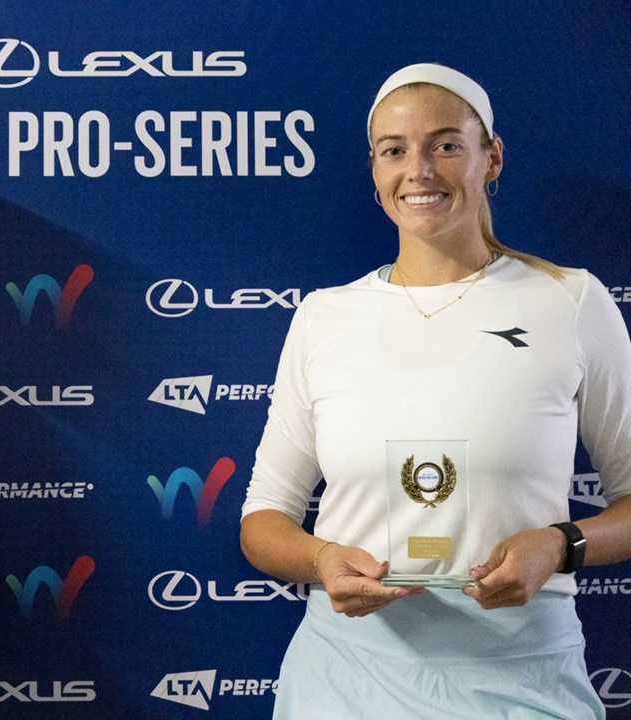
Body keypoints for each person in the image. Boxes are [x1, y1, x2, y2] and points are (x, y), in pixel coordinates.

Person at [240, 63, 631, 718]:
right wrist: (322, 557)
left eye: (446, 144)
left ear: (492, 157)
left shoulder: (570, 300)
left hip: (522, 675)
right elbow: (263, 521)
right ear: (375, 169)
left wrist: (561, 544)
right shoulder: (324, 317)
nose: (419, 171)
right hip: (343, 680)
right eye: (395, 150)